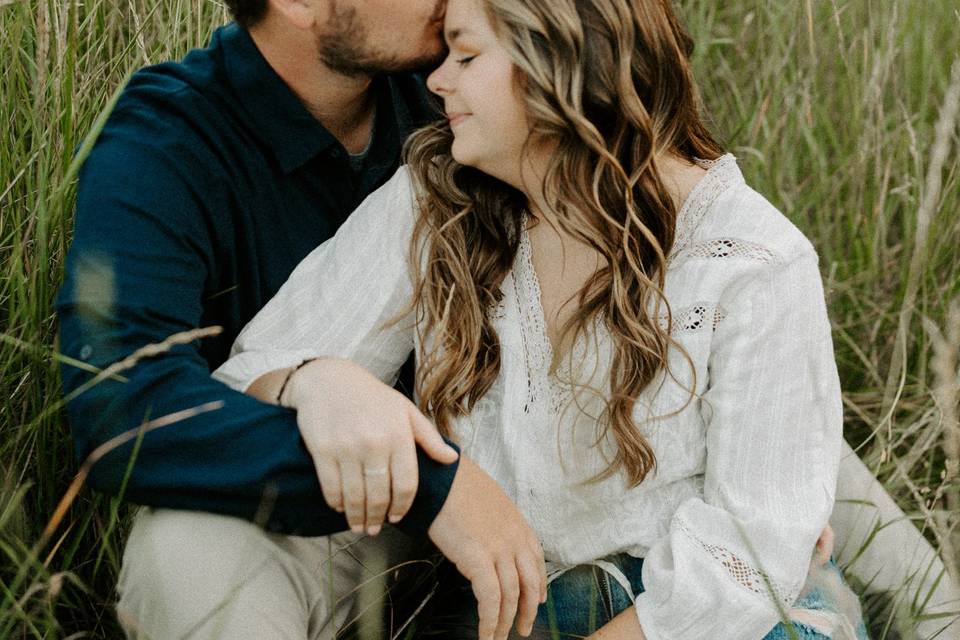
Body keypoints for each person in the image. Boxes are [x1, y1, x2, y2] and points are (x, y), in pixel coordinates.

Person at [213, 0, 874, 638]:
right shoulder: (435, 196)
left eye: (467, 56)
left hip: (699, 625)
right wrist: (321, 381)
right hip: (509, 611)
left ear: (563, 61)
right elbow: (252, 367)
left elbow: (750, 563)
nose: (437, 81)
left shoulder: (753, 261)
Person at [55, 0, 548, 638]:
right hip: (315, 501)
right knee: (189, 558)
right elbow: (124, 409)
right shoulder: (167, 141)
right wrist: (431, 483)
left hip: (529, 487)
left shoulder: (458, 85)